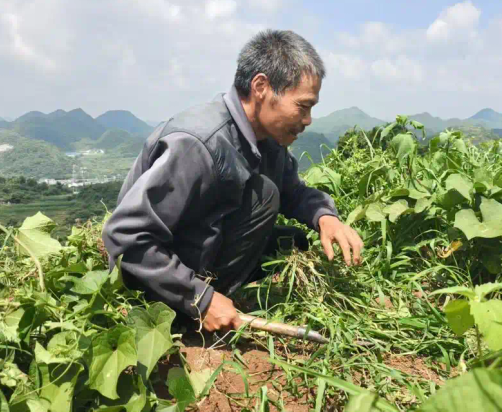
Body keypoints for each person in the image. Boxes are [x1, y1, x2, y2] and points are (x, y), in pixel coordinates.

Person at [101, 29, 364, 333]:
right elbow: (125, 236)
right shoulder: (199, 144)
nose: (307, 120)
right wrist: (199, 297)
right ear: (261, 87)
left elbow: (293, 191)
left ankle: (217, 287)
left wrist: (325, 217)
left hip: (199, 244)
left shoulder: (268, 138)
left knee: (293, 239)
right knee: (265, 194)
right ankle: (196, 311)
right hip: (150, 279)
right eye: (302, 107)